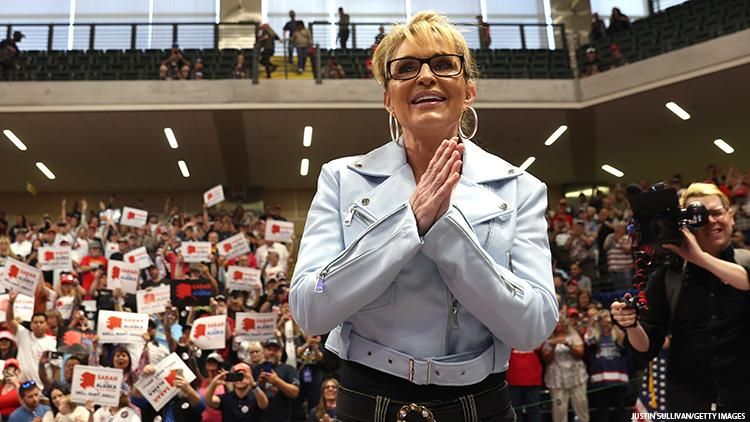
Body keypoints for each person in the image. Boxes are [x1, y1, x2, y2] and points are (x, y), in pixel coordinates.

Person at [290, 11, 557, 421]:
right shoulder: (341, 180)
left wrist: (444, 231)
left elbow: (532, 326)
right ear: (388, 98)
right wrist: (407, 225)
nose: (426, 76)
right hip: (367, 402)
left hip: (481, 404)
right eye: (406, 68)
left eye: (444, 64)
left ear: (468, 90)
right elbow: (310, 308)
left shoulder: (520, 188)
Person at [611, 183, 750, 412]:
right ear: (685, 225)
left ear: (731, 217)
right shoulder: (667, 276)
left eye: (717, 213)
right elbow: (647, 347)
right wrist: (631, 324)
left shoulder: (746, 263)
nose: (711, 221)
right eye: (700, 216)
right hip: (690, 401)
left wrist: (699, 258)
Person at [542, 317, 589, 422]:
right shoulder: (548, 338)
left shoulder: (574, 336)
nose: (559, 326)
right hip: (556, 378)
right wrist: (553, 346)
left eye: (561, 323)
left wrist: (568, 344)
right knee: (559, 409)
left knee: (581, 404)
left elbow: (580, 354)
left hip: (576, 376)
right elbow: (546, 360)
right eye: (557, 324)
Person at [7, 293, 57, 389]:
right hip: (20, 385)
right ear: (31, 325)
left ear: (47, 325)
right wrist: (11, 303)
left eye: (41, 322)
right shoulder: (23, 334)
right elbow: (10, 320)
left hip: (41, 388)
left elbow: (55, 368)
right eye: (35, 322)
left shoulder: (53, 342)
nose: (38, 325)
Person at [257, 337, 299, 422]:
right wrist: (258, 383)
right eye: (269, 349)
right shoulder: (256, 369)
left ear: (281, 352)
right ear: (264, 351)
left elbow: (295, 392)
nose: (272, 352)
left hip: (282, 418)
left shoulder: (289, 369)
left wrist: (277, 381)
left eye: (275, 350)